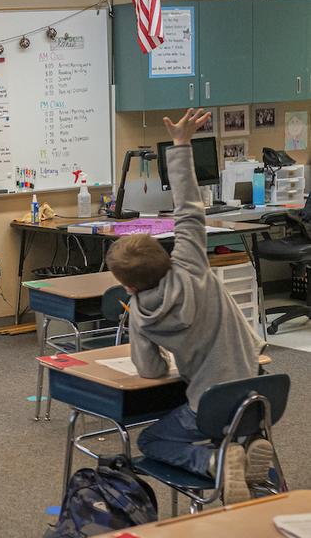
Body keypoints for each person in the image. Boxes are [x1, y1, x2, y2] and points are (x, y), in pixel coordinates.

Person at [106, 108, 268, 505]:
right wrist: (180, 144)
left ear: (128, 284)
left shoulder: (141, 316)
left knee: (151, 440)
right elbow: (189, 207)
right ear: (166, 253)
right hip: (260, 393)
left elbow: (150, 369)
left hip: (209, 405)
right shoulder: (191, 263)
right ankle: (245, 452)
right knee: (237, 428)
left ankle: (213, 461)